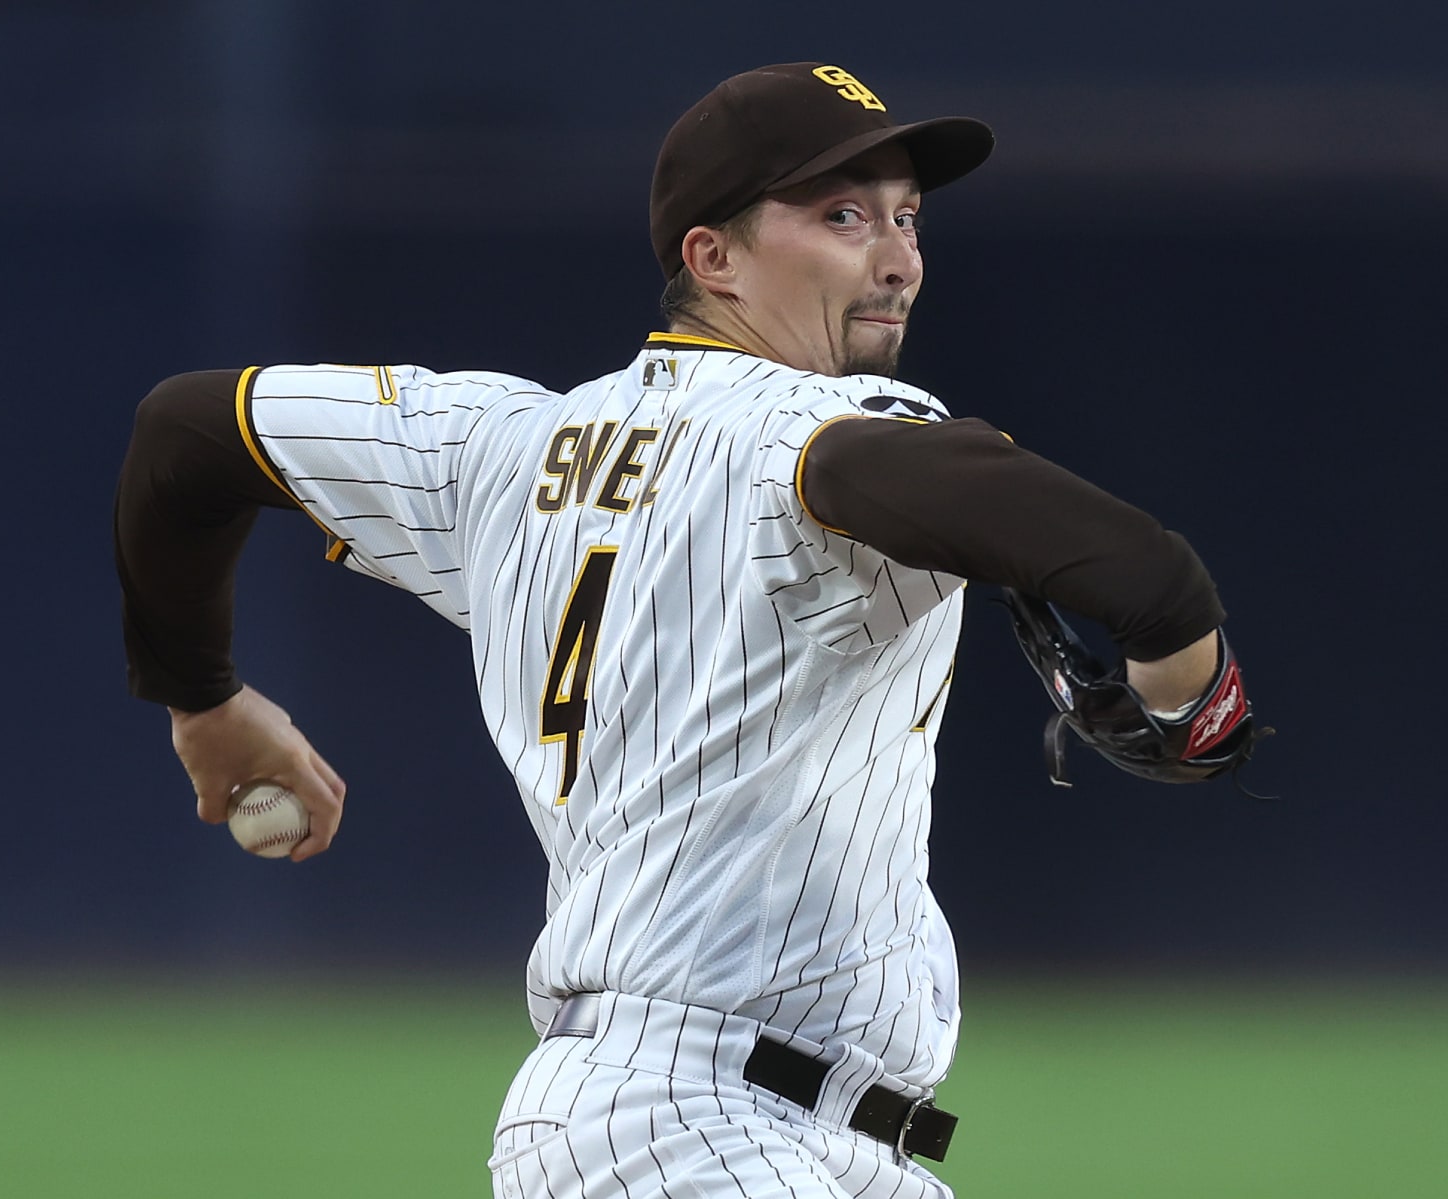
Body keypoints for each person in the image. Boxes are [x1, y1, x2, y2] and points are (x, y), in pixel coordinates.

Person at [116, 62, 1231, 1199]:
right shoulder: (825, 428)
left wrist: (202, 696)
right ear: (713, 257)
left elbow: (186, 432)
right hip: (693, 1133)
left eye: (907, 217)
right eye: (842, 215)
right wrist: (1194, 691)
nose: (898, 256)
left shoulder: (497, 448)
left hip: (755, 1136)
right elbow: (1146, 572)